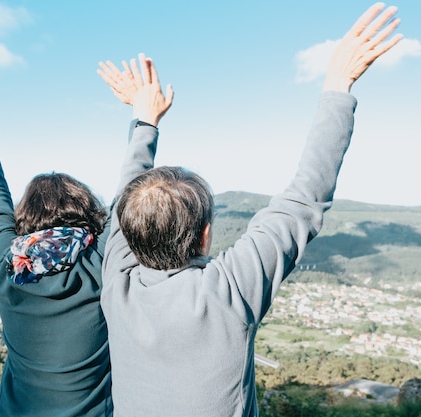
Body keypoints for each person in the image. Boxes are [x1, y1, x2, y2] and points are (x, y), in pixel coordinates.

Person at [97, 3, 403, 416]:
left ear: (126, 234)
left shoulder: (116, 283)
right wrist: (339, 82)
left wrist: (144, 119)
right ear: (205, 234)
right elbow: (304, 197)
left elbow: (304, 198)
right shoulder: (225, 293)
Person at [0, 67, 113, 416]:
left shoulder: (7, 264)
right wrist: (145, 119)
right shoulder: (101, 262)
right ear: (89, 213)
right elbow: (128, 204)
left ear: (23, 218)